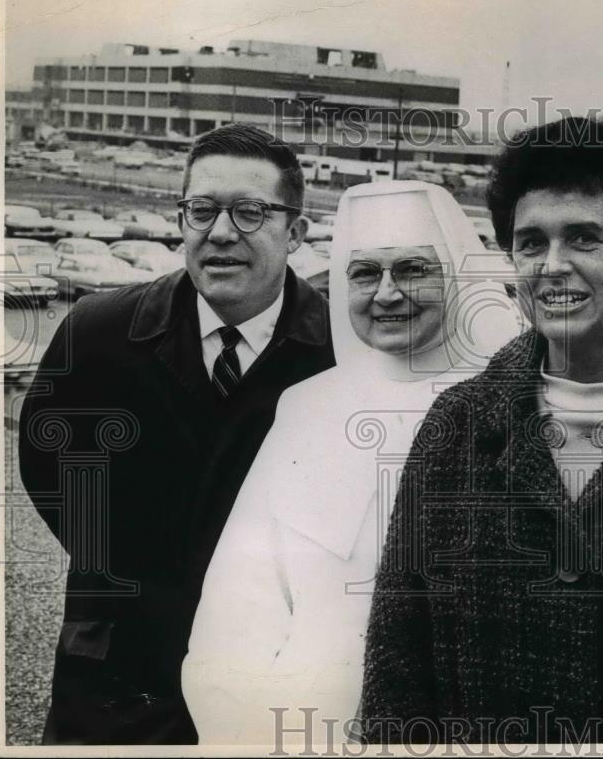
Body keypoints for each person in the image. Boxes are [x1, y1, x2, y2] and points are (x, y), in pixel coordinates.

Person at [360, 116, 603, 744]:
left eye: (583, 238)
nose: (552, 266)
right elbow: (396, 655)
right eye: (530, 242)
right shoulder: (455, 428)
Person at [18, 124, 336, 744]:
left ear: (295, 232)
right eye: (202, 210)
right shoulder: (98, 331)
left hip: (269, 672)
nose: (221, 233)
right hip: (113, 670)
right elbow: (45, 465)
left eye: (250, 212)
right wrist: (125, 568)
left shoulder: (336, 352)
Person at [181, 180, 522, 745]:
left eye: (412, 270)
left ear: (457, 279)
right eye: (364, 273)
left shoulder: (510, 409)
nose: (386, 293)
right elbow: (237, 607)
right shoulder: (309, 406)